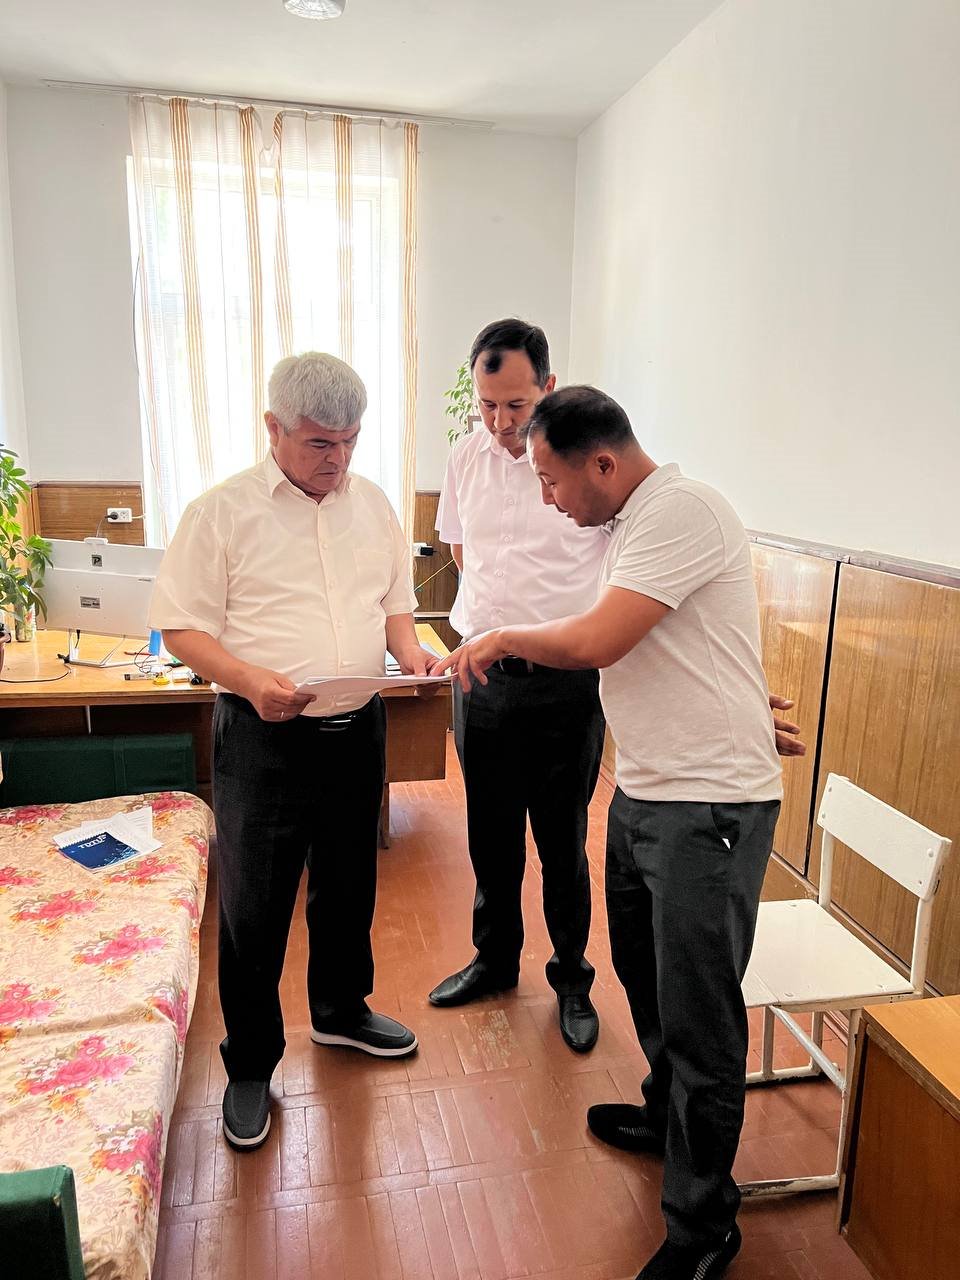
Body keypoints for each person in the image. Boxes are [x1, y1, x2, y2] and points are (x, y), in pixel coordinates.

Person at [435, 385, 799, 1280]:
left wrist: (499, 638)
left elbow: (601, 640)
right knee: (645, 974)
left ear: (602, 462)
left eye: (553, 481)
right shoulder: (629, 524)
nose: (549, 499)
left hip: (706, 804)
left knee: (701, 1014)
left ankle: (703, 1227)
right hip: (647, 788)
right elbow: (688, 639)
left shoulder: (681, 510)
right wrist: (740, 696)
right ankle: (664, 1114)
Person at [149, 352, 430, 1152]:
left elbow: (394, 606)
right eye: (319, 443)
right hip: (263, 737)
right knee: (255, 906)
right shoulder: (220, 513)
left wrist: (411, 656)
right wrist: (247, 678)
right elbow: (182, 626)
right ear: (273, 428)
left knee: (348, 883)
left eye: (350, 440)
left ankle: (340, 1012)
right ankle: (249, 1063)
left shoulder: (371, 504)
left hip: (356, 729)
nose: (338, 458)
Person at [429, 319, 609, 1052]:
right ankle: (495, 960)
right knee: (490, 834)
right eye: (487, 405)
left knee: (562, 841)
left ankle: (572, 979)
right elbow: (461, 548)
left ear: (548, 387)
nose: (501, 422)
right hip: (480, 678)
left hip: (565, 682)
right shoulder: (464, 457)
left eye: (516, 405)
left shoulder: (579, 464)